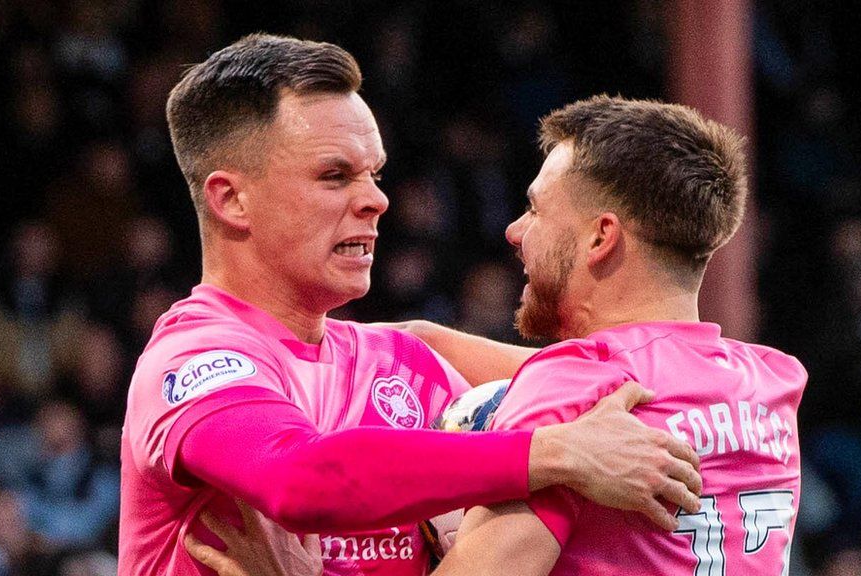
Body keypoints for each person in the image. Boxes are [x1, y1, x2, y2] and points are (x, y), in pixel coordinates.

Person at [118, 35, 703, 576]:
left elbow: (636, 393)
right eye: (335, 175)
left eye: (374, 174)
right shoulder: (192, 360)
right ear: (231, 200)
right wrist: (553, 453)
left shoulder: (405, 361)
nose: (375, 199)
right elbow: (301, 477)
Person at [189, 96, 807, 576]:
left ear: (601, 237)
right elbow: (623, 372)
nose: (514, 231)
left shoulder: (572, 399)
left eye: (536, 210)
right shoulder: (771, 385)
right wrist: (376, 338)